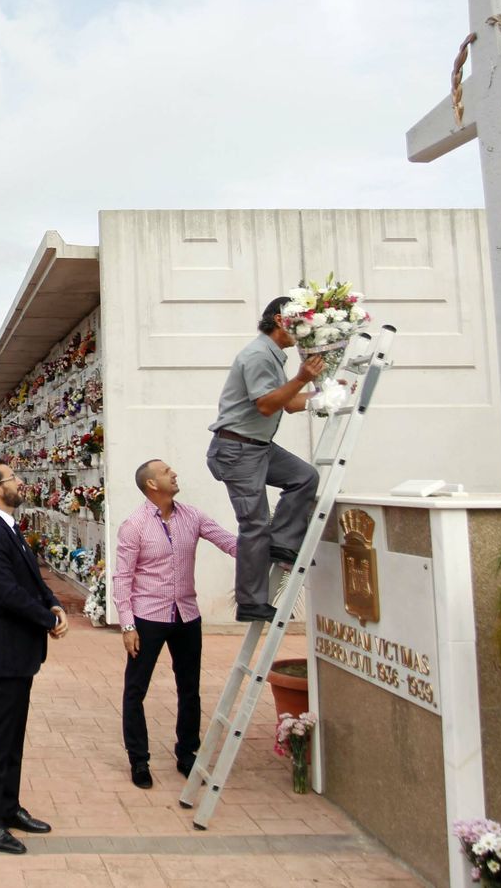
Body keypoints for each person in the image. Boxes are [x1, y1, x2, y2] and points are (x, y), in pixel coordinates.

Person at [115, 459, 238, 789]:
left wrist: (263, 548)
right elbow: (122, 577)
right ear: (152, 485)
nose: (175, 473)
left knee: (190, 688)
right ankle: (139, 760)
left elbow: (229, 542)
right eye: (167, 471)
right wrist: (128, 625)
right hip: (147, 618)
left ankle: (188, 752)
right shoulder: (134, 525)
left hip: (186, 615)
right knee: (135, 689)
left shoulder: (193, 516)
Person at [0, 457, 66, 855]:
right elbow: (6, 592)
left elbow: (33, 577)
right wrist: (47, 620)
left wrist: (54, 605)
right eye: (12, 478)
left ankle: (8, 808)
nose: (20, 482)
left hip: (17, 651)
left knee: (13, 737)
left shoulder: (9, 527)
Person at [206, 297, 325, 622]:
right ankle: (250, 603)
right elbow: (266, 406)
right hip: (237, 450)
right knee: (254, 524)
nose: (303, 333)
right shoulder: (259, 354)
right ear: (278, 319)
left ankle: (283, 544)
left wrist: (323, 395)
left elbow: (287, 403)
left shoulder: (272, 356)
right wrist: (301, 378)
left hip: (257, 447)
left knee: (304, 476)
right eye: (299, 324)